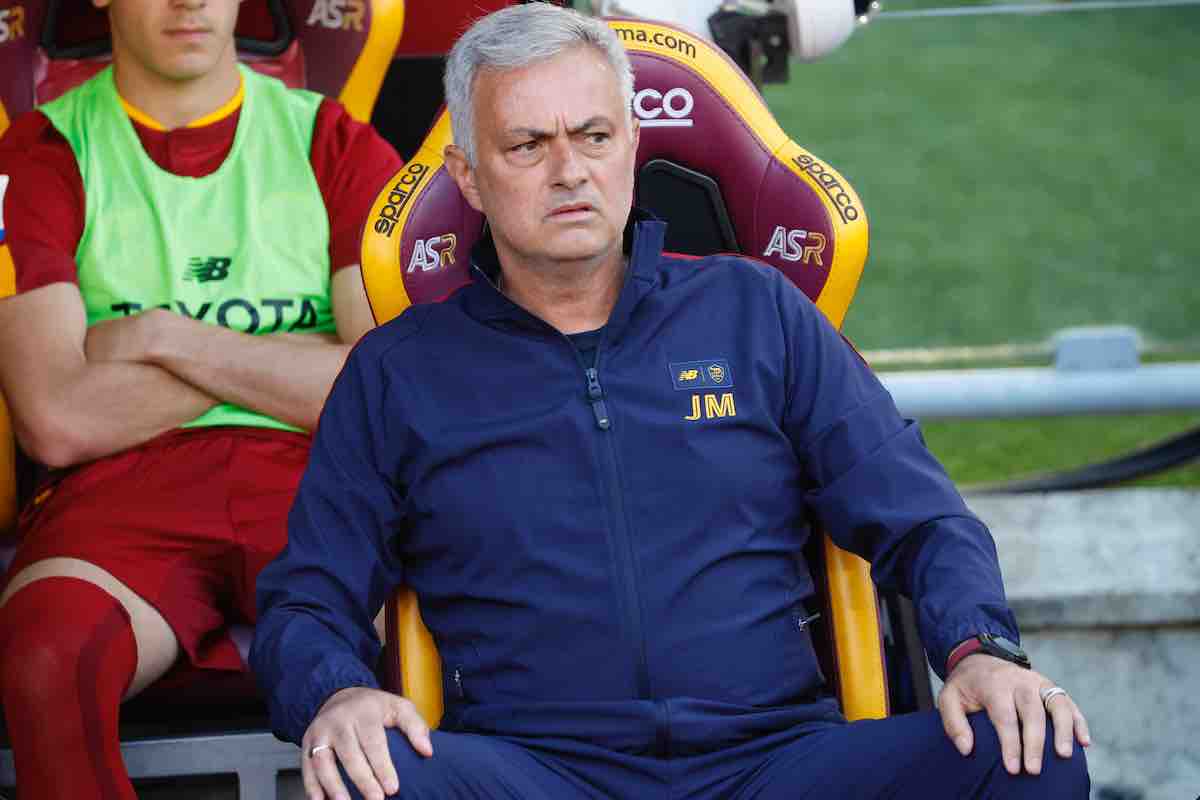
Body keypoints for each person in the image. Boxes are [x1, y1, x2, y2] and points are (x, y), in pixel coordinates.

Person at [251, 5, 1091, 799]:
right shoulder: (398, 372)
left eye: (593, 136)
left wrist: (981, 649)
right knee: (364, 774)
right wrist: (336, 694)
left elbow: (924, 518)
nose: (569, 171)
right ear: (468, 177)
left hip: (776, 762)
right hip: (538, 771)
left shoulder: (756, 312)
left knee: (1032, 749)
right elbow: (307, 599)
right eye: (528, 145)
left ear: (630, 142)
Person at [0, 0, 402, 795]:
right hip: (118, 494)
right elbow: (56, 419)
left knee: (476, 620)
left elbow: (386, 390)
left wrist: (164, 336)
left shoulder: (336, 140)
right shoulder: (37, 152)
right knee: (43, 657)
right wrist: (300, 359)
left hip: (318, 481)